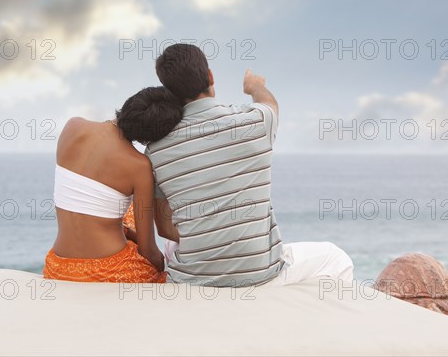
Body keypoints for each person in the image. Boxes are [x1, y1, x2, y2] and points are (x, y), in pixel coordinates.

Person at [145, 44, 354, 287]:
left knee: (176, 243)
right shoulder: (256, 122)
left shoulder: (156, 149)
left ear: (168, 92)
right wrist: (255, 85)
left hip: (191, 281)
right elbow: (269, 103)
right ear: (210, 76)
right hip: (259, 276)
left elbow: (165, 228)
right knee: (336, 258)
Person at [43, 87, 183, 283]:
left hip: (57, 267)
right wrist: (159, 265)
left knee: (121, 211)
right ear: (150, 137)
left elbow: (87, 197)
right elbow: (147, 250)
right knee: (135, 214)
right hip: (109, 271)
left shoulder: (72, 126)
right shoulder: (139, 166)